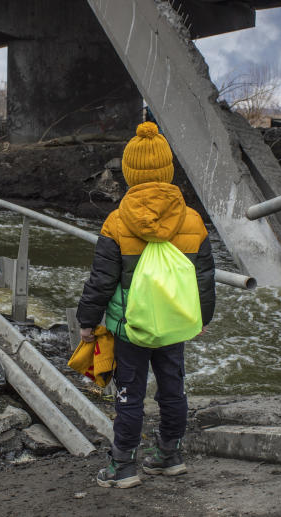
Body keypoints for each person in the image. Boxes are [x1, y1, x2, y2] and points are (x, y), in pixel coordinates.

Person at [76, 122, 216, 489]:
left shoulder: (117, 221)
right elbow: (203, 277)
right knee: (173, 390)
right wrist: (201, 318)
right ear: (168, 169)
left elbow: (102, 281)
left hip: (129, 329)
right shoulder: (192, 220)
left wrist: (87, 322)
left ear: (129, 172)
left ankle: (122, 466)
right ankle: (170, 456)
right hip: (173, 325)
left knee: (129, 394)